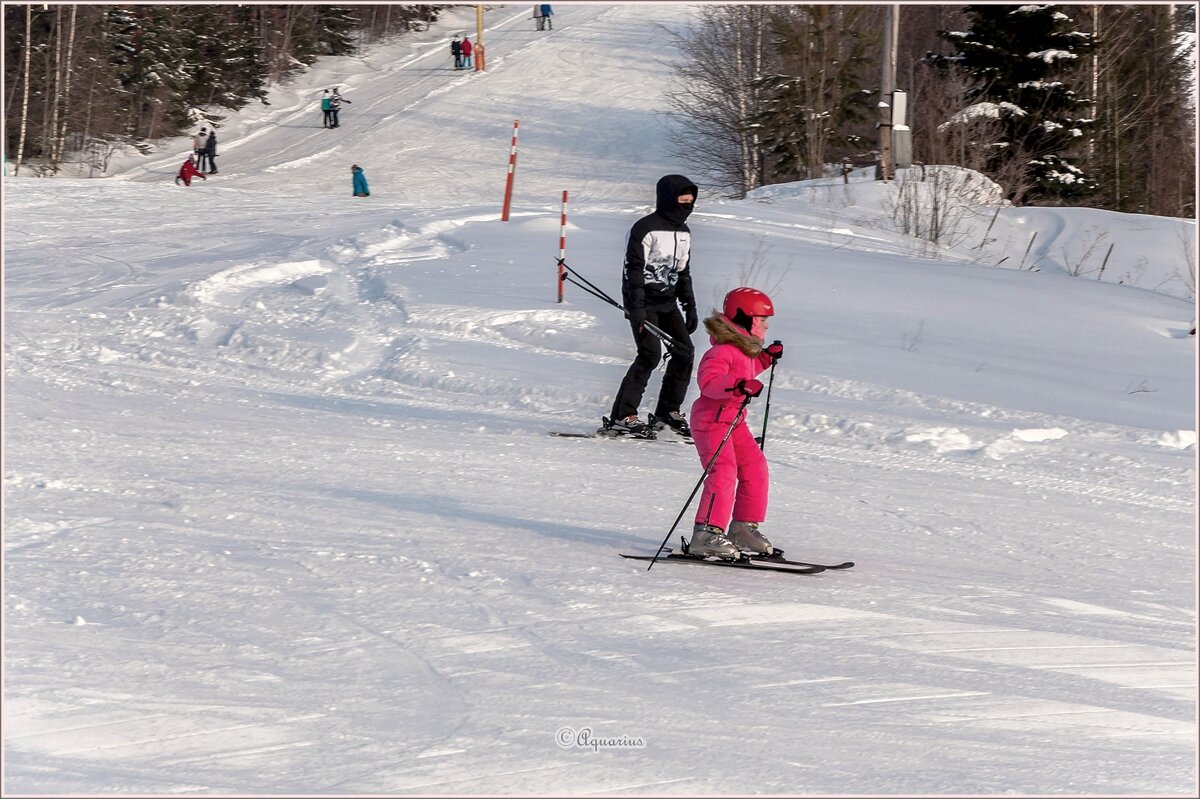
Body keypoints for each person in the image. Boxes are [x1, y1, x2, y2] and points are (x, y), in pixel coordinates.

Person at [686, 287, 784, 559]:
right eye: (762, 319)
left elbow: (748, 371)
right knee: (724, 472)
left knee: (755, 467)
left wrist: (766, 358)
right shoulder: (722, 352)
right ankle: (706, 533)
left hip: (734, 422)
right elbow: (709, 382)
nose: (766, 325)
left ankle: (742, 527)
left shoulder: (744, 351)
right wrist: (739, 385)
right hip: (712, 422)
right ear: (745, 319)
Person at [603, 174, 699, 439]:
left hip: (668, 303)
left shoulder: (684, 232)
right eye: (682, 201)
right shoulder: (645, 228)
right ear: (668, 199)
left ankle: (668, 412)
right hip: (643, 304)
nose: (686, 207)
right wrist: (636, 309)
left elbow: (683, 272)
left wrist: (690, 306)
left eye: (691, 202)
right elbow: (632, 271)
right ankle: (623, 415)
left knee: (685, 352)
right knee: (650, 355)